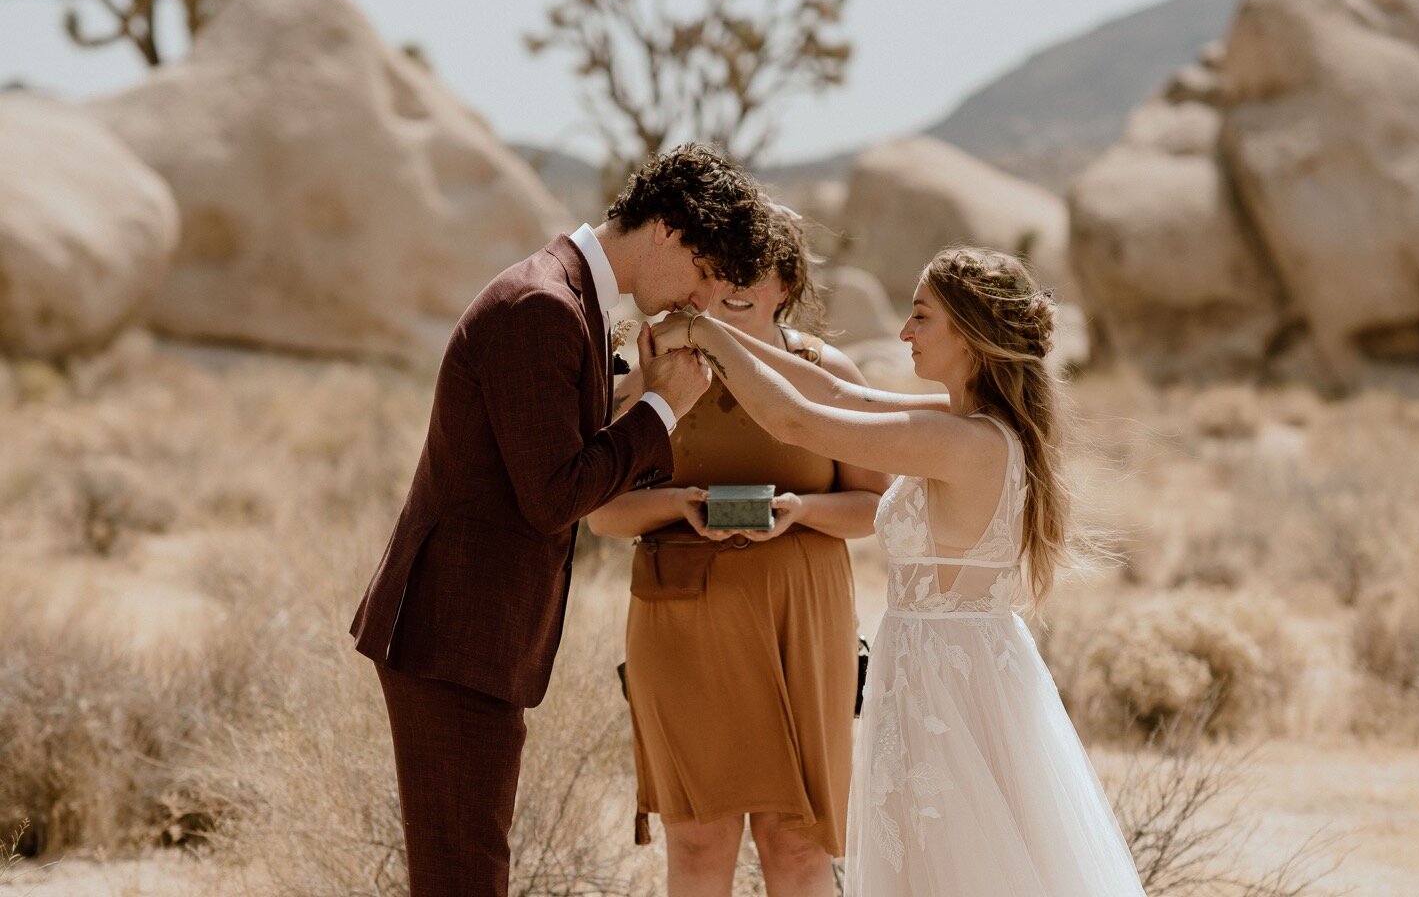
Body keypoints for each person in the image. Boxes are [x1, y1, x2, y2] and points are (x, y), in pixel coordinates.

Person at [651, 247, 1148, 897]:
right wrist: (723, 339)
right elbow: (830, 389)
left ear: (969, 335)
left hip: (949, 684)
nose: (904, 333)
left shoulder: (958, 442)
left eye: (920, 317)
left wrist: (706, 333)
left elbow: (796, 419)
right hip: (942, 668)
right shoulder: (968, 427)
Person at [348, 144, 775, 897]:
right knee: (463, 879)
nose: (702, 301)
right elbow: (553, 493)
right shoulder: (541, 306)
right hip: (452, 637)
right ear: (667, 229)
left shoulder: (568, 298)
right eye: (706, 274)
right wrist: (661, 408)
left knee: (469, 872)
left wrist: (640, 390)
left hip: (472, 638)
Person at [588, 212, 889, 897]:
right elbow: (601, 512)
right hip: (684, 630)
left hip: (803, 629)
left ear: (787, 283)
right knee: (697, 841)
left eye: (749, 268)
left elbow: (875, 509)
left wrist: (802, 512)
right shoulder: (652, 370)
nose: (728, 282)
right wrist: (680, 504)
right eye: (714, 264)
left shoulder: (824, 371)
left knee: (798, 843)